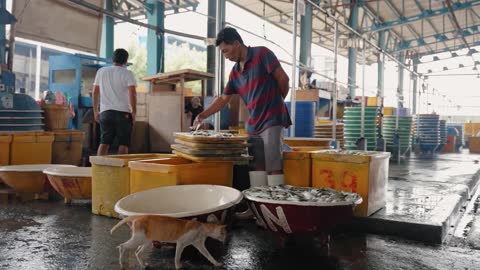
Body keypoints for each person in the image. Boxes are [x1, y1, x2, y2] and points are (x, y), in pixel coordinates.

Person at [194, 27, 291, 186]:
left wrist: (277, 103)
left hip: (272, 119)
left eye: (226, 51)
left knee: (273, 165)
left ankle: (275, 206)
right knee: (255, 166)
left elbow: (283, 79)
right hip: (253, 123)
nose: (225, 56)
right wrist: (202, 115)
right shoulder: (235, 73)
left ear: (237, 43)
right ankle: (258, 205)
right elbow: (223, 99)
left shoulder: (262, 54)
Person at [93, 48, 137, 156]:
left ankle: (99, 170)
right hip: (123, 113)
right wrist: (134, 111)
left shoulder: (101, 71)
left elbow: (95, 92)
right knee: (123, 144)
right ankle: (121, 171)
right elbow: (133, 93)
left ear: (113, 59)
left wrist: (95, 111)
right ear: (126, 61)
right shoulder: (128, 73)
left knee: (104, 143)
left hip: (106, 113)